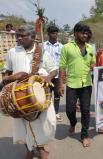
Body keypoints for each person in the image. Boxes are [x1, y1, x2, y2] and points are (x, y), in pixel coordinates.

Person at [3, 24, 57, 159]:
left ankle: (41, 148)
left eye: (23, 35)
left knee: (42, 124)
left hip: (39, 95)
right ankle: (29, 151)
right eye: (18, 36)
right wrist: (10, 78)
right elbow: (7, 72)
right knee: (23, 126)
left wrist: (48, 77)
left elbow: (54, 69)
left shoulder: (43, 52)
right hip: (19, 97)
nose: (19, 38)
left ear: (33, 37)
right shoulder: (12, 52)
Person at [59, 23, 95, 147]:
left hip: (86, 84)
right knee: (69, 110)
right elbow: (62, 66)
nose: (85, 35)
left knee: (85, 110)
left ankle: (84, 135)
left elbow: (93, 64)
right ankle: (73, 123)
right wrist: (60, 84)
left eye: (86, 33)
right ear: (75, 33)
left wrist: (94, 67)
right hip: (72, 84)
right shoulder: (67, 47)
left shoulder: (90, 48)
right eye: (82, 32)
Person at [43, 25, 63, 122]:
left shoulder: (61, 47)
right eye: (52, 33)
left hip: (57, 75)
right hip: (46, 75)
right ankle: (46, 113)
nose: (54, 35)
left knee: (57, 94)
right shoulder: (43, 46)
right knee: (46, 94)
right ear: (48, 34)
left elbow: (63, 62)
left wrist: (64, 76)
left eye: (56, 33)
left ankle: (56, 112)